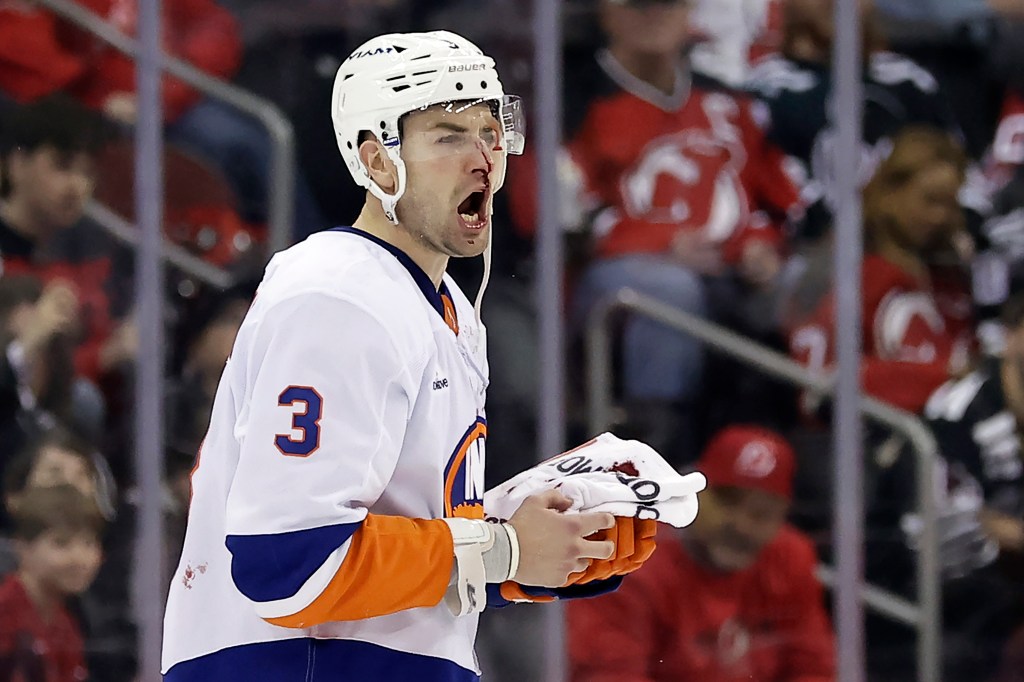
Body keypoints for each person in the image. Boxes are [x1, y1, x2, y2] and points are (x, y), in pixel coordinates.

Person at [162, 30, 652, 681]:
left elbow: (392, 559)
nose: (483, 158)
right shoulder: (340, 291)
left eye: (489, 131)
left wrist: (541, 548)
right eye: (449, 136)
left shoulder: (445, 304)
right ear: (378, 161)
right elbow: (288, 561)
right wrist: (502, 550)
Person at [568, 425, 835, 682]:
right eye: (727, 502)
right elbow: (608, 675)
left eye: (762, 513)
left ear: (783, 516)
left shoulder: (790, 557)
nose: (741, 525)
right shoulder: (629, 557)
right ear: (692, 493)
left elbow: (815, 668)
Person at [790, 126, 974, 414]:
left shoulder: (949, 276)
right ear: (892, 192)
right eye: (930, 201)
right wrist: (946, 375)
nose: (941, 217)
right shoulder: (845, 264)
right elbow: (821, 386)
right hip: (854, 436)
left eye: (950, 206)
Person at [0, 483, 105, 682]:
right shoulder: (4, 615)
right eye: (61, 543)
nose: (80, 558)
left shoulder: (66, 623)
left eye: (88, 543)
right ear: (22, 547)